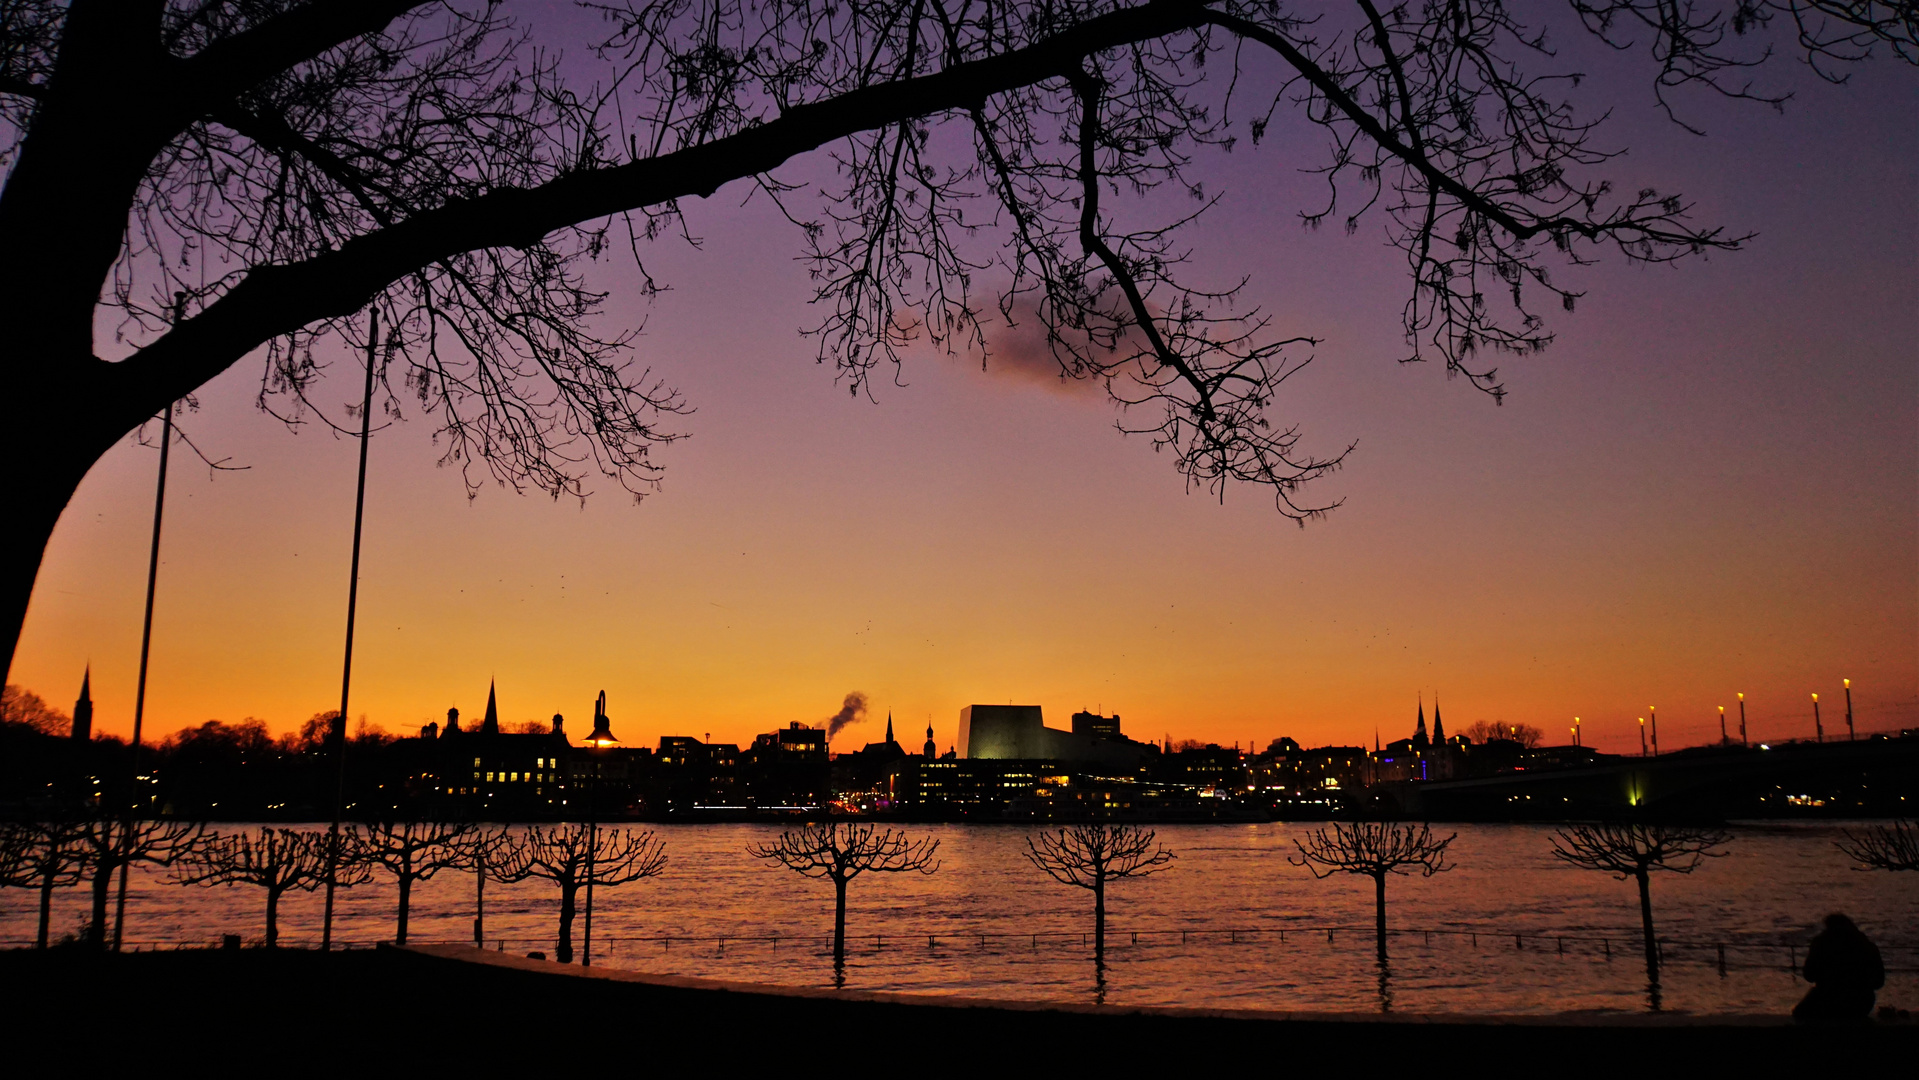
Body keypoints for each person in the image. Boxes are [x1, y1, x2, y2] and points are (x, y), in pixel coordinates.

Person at [1793, 913, 1885, 1023]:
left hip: (1826, 999)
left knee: (1800, 1014)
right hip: (1862, 1002)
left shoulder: (1821, 945)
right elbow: (1878, 982)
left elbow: (1809, 975)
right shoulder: (1868, 946)